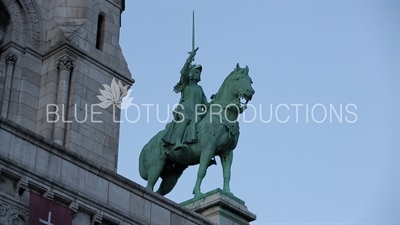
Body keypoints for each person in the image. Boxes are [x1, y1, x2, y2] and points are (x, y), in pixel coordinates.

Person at [162, 47, 209, 151]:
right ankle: (178, 141)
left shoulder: (200, 89)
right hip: (185, 110)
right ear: (191, 74)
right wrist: (190, 58)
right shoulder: (186, 84)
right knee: (186, 119)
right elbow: (183, 73)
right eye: (196, 72)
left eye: (199, 73)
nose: (199, 74)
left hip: (197, 112)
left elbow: (206, 104)